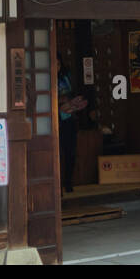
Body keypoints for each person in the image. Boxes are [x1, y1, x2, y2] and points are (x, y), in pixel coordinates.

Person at [57, 52, 81, 193]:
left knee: (70, 152)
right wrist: (60, 100)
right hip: (56, 120)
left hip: (69, 118)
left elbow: (74, 92)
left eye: (59, 64)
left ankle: (68, 182)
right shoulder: (47, 77)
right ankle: (58, 183)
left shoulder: (66, 77)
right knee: (58, 153)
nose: (57, 67)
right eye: (54, 64)